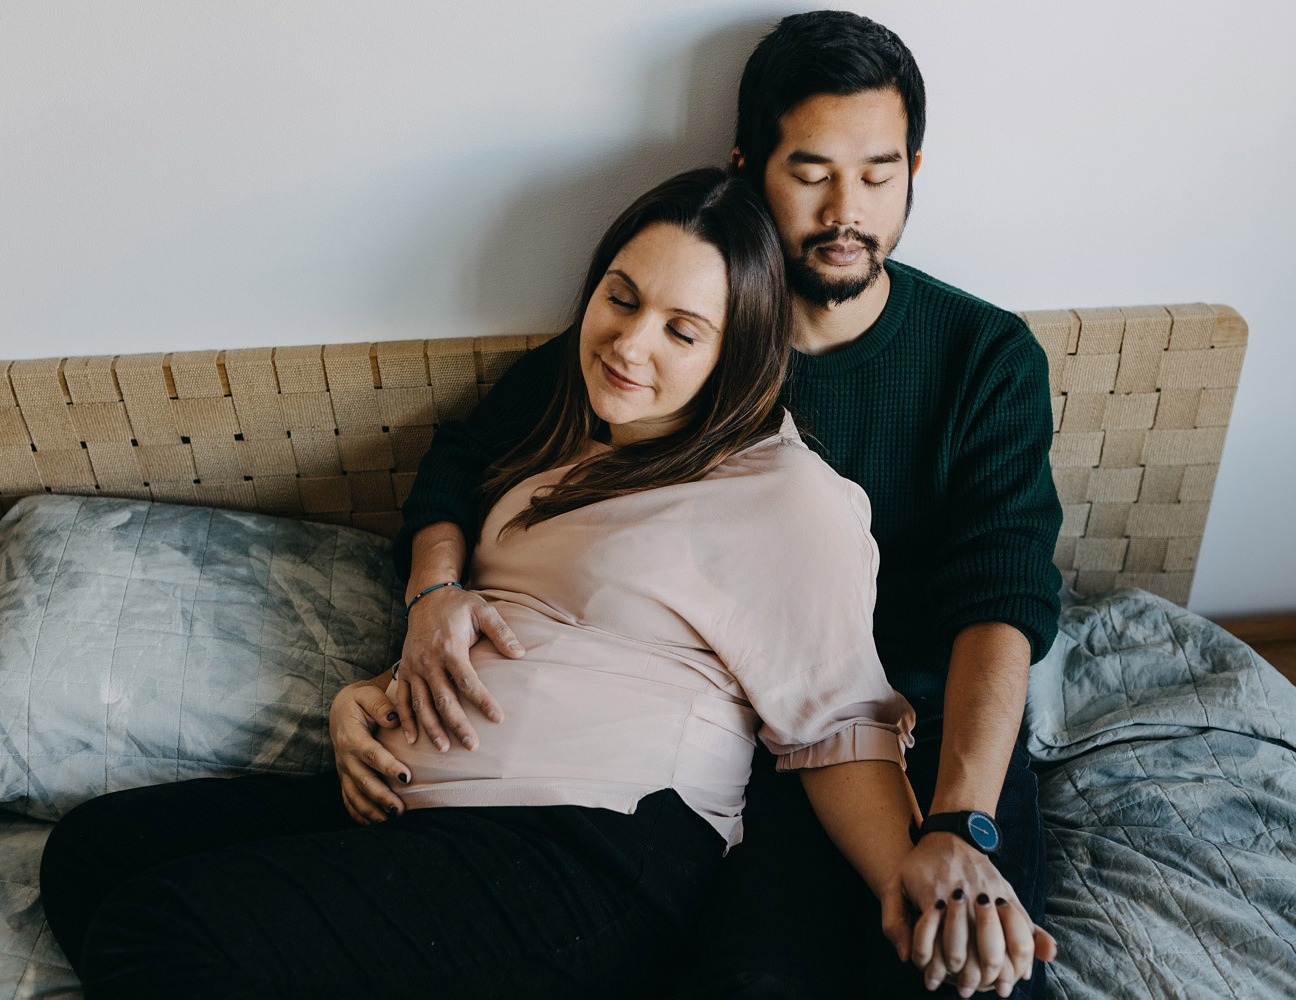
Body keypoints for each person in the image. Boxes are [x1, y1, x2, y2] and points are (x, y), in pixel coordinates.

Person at [36, 168, 1026, 999]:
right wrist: (371, 695)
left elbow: (838, 727)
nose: (630, 343)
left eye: (684, 330)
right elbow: (479, 531)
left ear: (739, 351)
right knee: (90, 852)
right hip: (424, 814)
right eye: (622, 297)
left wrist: (933, 857)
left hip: (592, 849)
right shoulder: (565, 443)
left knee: (155, 931)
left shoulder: (785, 496)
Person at [380, 11, 1063, 999]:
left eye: (879, 174)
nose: (848, 212)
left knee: (972, 976)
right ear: (748, 169)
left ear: (916, 167)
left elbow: (1001, 594)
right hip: (755, 745)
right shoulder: (673, 343)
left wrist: (960, 820)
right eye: (811, 172)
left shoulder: (984, 356)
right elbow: (464, 455)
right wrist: (431, 592)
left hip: (942, 731)